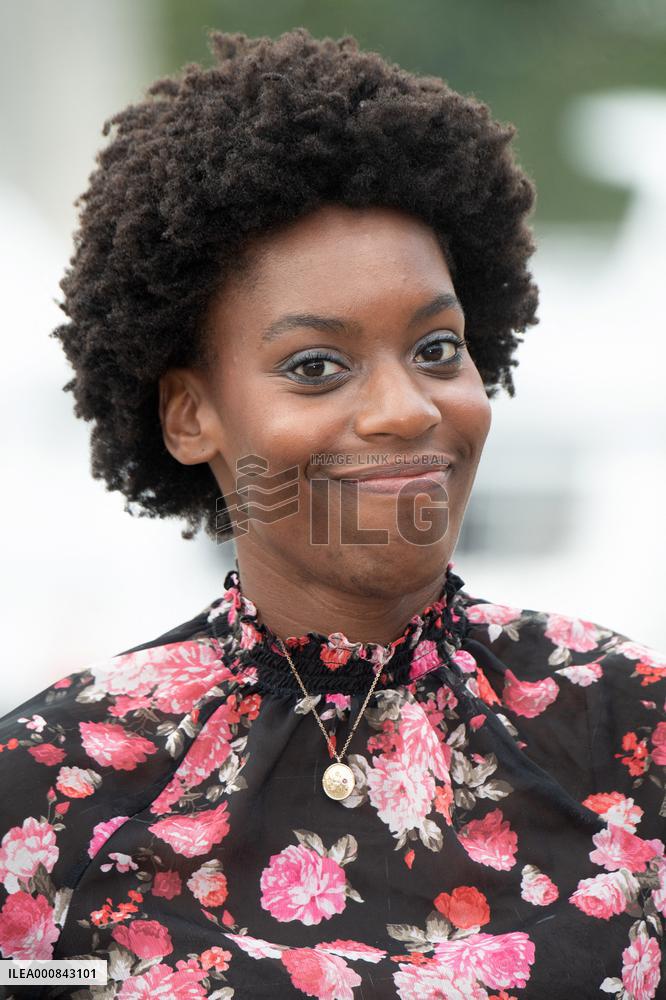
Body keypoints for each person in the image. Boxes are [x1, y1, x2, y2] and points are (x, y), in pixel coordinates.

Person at [0, 25, 663, 1000]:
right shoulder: (48, 788)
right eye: (317, 365)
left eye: (438, 349)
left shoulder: (630, 730)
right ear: (190, 412)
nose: (406, 408)